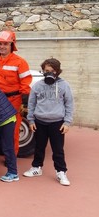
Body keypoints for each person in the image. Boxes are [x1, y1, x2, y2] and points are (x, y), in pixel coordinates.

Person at [23, 58, 74, 186]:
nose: (49, 73)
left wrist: (67, 122)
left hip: (57, 122)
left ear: (57, 72)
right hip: (40, 122)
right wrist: (31, 120)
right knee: (39, 147)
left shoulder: (64, 85)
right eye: (46, 71)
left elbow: (69, 104)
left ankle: (61, 171)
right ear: (43, 71)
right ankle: (36, 168)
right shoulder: (37, 85)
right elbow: (31, 103)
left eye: (52, 71)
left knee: (58, 149)